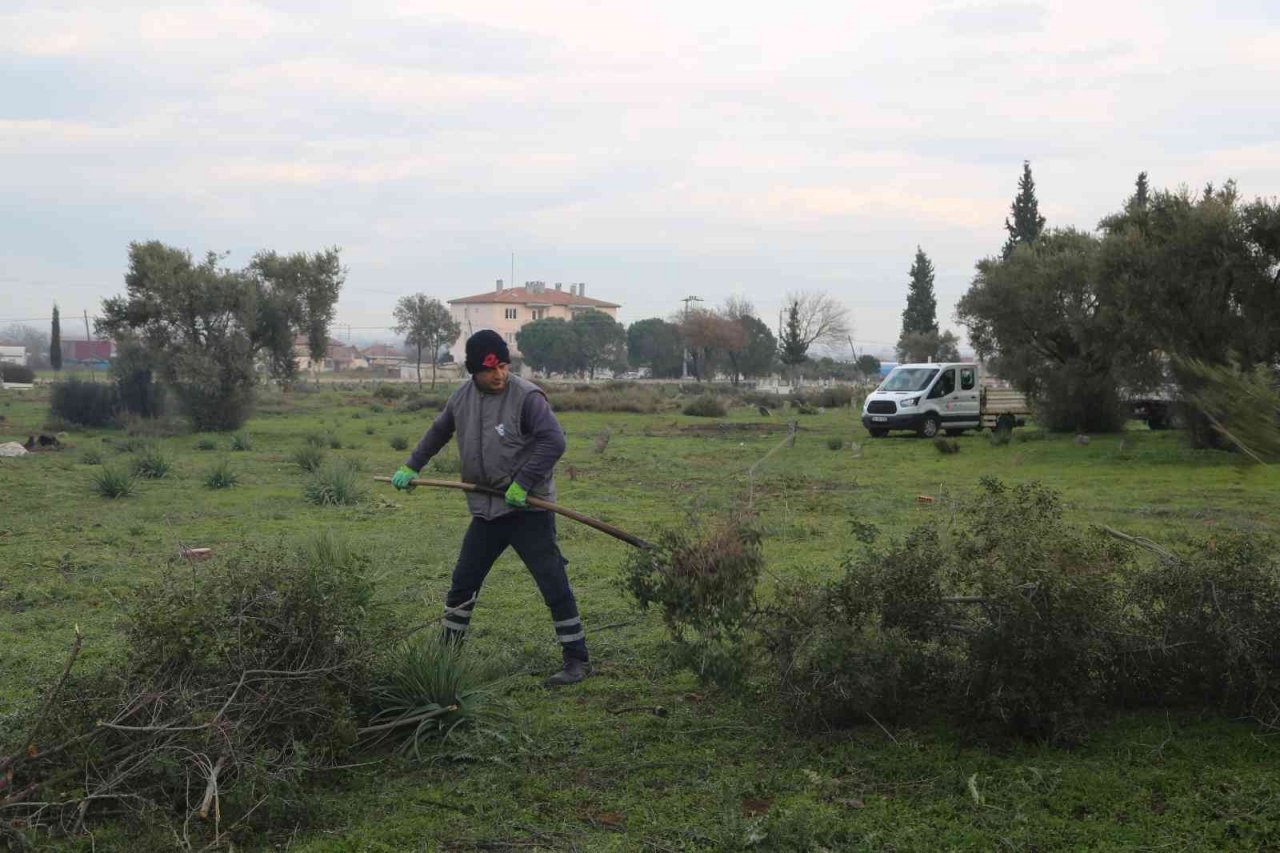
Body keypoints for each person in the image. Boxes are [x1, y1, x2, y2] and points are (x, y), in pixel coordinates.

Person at [390, 329, 590, 686]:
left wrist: (524, 482)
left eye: (502, 366)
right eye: (489, 369)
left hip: (528, 509)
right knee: (462, 584)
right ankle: (446, 657)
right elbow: (439, 432)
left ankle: (576, 659)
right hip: (486, 511)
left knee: (552, 582)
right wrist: (412, 465)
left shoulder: (527, 397)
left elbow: (554, 441)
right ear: (473, 372)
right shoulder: (461, 398)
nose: (498, 375)